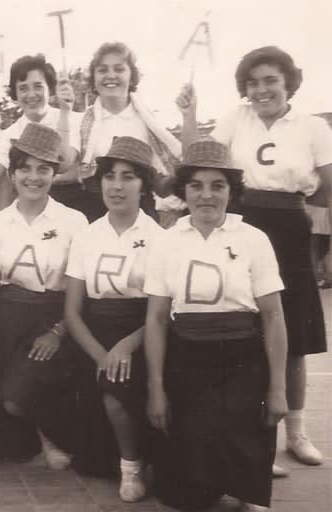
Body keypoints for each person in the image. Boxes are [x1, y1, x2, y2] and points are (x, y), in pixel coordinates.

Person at [177, 46, 331, 470]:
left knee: (292, 334)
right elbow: (198, 161)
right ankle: (253, 438)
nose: (261, 90)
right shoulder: (233, 119)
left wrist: (295, 206)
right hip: (244, 223)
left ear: (288, 83)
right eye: (253, 83)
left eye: (270, 81)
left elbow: (326, 188)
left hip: (290, 226)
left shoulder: (313, 127)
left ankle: (296, 433)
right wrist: (189, 115)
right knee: (249, 330)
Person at [144, 140, 288, 511]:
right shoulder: (166, 242)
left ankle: (247, 489)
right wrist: (156, 388)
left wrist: (277, 388)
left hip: (244, 359)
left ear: (231, 191)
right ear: (183, 191)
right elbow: (158, 319)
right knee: (187, 492)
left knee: (243, 437)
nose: (206, 195)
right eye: (196, 185)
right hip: (187, 359)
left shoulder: (254, 240)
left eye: (217, 185)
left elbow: (272, 317)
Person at [0, 123, 88, 466]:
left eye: (43, 169)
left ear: (54, 174)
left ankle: (52, 436)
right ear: (13, 172)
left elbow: (81, 296)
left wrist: (58, 333)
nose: (33, 178)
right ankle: (35, 443)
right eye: (24, 168)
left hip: (55, 318)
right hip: (5, 322)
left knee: (18, 396)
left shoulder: (74, 221)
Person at [64, 136, 163, 501]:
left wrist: (124, 346)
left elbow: (160, 311)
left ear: (144, 185)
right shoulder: (87, 235)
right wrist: (99, 354)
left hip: (142, 332)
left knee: (114, 397)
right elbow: (72, 312)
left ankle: (132, 467)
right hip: (93, 334)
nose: (117, 186)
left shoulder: (158, 237)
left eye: (128, 177)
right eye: (109, 176)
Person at [77, 42, 181, 223]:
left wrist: (180, 172)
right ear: (93, 78)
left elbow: (161, 188)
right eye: (102, 70)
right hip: (92, 214)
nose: (111, 76)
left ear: (131, 76)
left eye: (119, 69)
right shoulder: (81, 123)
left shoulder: (148, 123)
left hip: (140, 216)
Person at [0, 54, 79, 210]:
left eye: (38, 86)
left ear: (50, 89)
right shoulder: (10, 134)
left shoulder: (71, 119)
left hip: (70, 206)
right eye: (23, 88)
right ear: (15, 94)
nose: (31, 94)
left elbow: (64, 164)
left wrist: (65, 112)